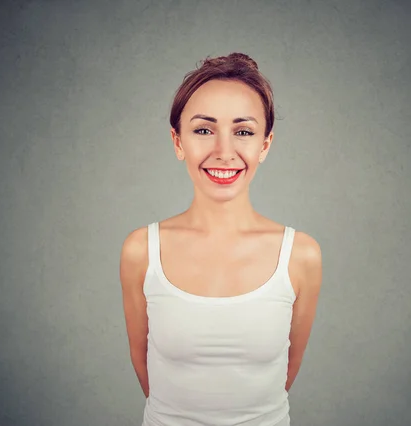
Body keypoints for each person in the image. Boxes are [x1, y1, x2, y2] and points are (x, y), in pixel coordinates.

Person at [119, 52, 322, 426]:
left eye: (243, 131)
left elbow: (283, 375)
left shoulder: (301, 256)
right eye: (203, 129)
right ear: (178, 142)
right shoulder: (141, 251)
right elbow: (143, 363)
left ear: (265, 144)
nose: (224, 152)